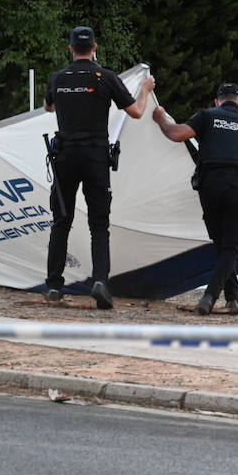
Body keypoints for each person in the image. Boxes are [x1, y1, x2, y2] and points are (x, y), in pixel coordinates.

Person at [43, 26, 154, 308]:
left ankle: (54, 287)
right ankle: (100, 281)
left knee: (60, 221)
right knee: (99, 224)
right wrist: (145, 89)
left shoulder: (58, 78)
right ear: (95, 47)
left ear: (70, 49)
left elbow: (49, 108)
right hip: (95, 156)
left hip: (65, 155)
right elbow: (137, 112)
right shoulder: (105, 77)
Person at [152, 82, 238, 315]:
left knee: (221, 244)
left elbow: (176, 133)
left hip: (210, 187)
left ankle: (232, 298)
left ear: (217, 101)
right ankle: (210, 297)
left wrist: (160, 116)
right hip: (237, 187)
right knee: (231, 247)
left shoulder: (208, 116)